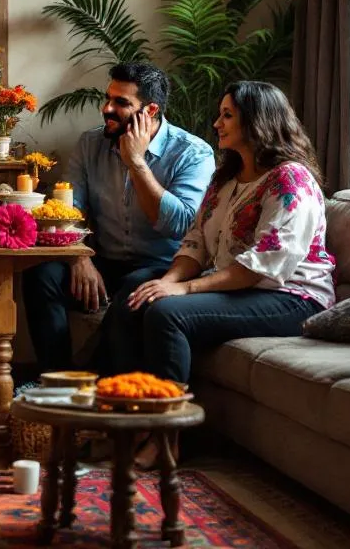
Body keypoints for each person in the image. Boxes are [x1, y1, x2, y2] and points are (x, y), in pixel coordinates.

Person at [114, 81, 334, 384]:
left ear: (257, 119)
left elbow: (263, 265)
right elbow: (196, 243)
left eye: (227, 115)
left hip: (291, 297)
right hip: (243, 288)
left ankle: (162, 422)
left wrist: (184, 289)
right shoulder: (225, 179)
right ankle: (117, 398)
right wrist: (165, 283)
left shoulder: (290, 179)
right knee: (139, 286)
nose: (217, 123)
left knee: (166, 313)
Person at [22, 62, 216, 374]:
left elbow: (177, 224)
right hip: (103, 259)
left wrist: (137, 163)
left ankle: (99, 384)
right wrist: (79, 259)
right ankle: (55, 381)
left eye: (121, 103)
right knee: (41, 276)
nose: (107, 109)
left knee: (134, 287)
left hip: (162, 265)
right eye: (108, 98)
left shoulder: (193, 154)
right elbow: (70, 210)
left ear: (150, 110)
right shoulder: (91, 143)